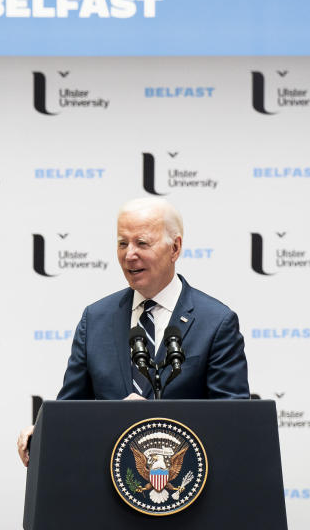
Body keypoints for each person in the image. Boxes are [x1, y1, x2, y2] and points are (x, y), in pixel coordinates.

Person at [17, 198, 249, 466]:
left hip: (185, 489)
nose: (129, 255)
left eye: (142, 243)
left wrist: (156, 420)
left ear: (175, 248)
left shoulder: (216, 322)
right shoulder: (96, 319)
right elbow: (71, 411)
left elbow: (233, 424)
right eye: (122, 243)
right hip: (109, 487)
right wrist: (44, 433)